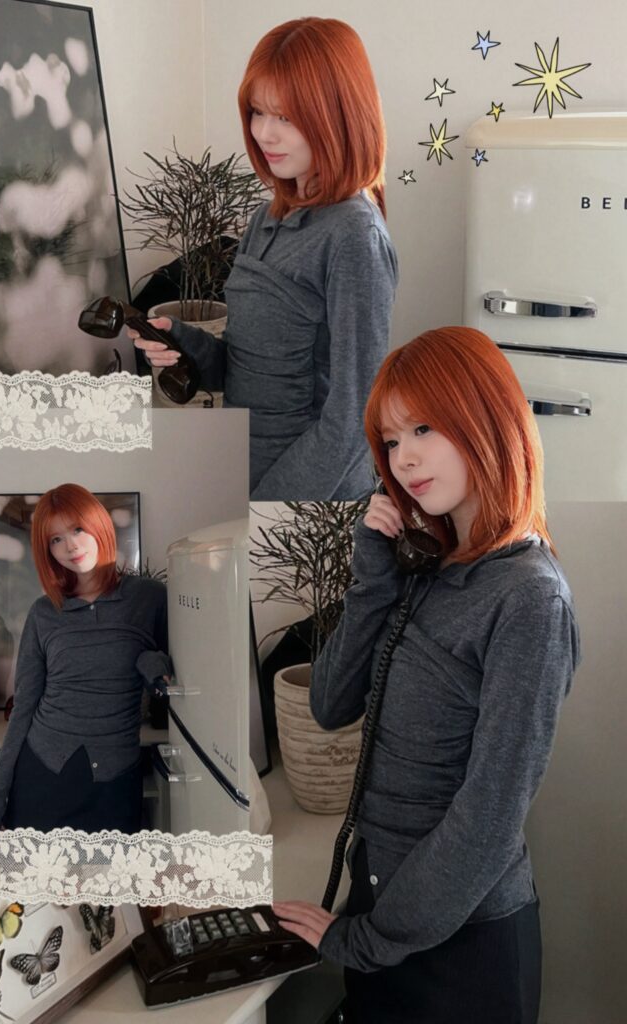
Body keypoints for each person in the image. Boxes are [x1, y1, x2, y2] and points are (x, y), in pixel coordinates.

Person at [272, 327, 581, 1023]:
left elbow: (490, 817)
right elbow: (328, 704)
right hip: (384, 905)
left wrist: (367, 940)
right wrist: (374, 577)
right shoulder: (429, 568)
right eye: (389, 441)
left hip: (459, 946)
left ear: (485, 419)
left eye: (422, 428)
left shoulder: (530, 598)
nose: (403, 458)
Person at [129, 17, 397, 501]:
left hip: (311, 498)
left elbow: (357, 415)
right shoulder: (266, 218)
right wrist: (184, 343)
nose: (264, 133)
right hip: (245, 468)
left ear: (339, 116)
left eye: (286, 117)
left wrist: (268, 508)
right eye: (257, 112)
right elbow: (249, 370)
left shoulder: (354, 235)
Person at [0, 484, 170, 846]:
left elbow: (184, 669)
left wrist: (150, 661)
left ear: (99, 525)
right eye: (56, 539)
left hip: (114, 782)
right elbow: (24, 707)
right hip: (41, 774)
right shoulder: (44, 613)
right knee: (40, 882)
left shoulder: (149, 599)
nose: (70, 546)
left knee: (109, 879)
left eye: (78, 529)